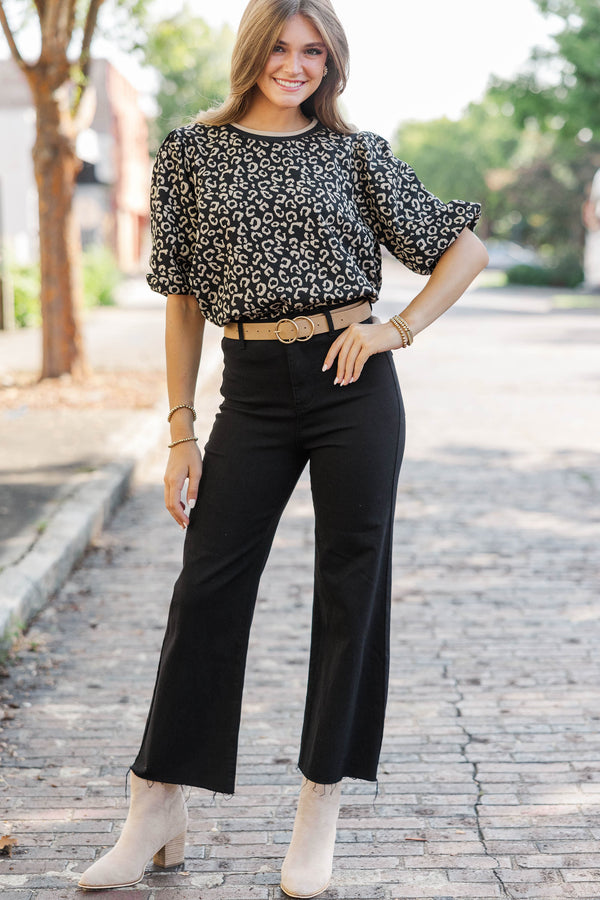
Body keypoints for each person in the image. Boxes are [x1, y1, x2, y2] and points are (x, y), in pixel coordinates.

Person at [77, 0, 488, 896]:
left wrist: (399, 330)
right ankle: (157, 806)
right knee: (208, 585)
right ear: (251, 50)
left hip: (353, 381)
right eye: (280, 47)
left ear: (332, 62)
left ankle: (318, 807)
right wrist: (180, 429)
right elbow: (183, 301)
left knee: (352, 584)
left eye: (314, 51)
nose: (294, 64)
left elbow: (464, 251)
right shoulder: (189, 151)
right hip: (252, 387)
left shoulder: (355, 153)